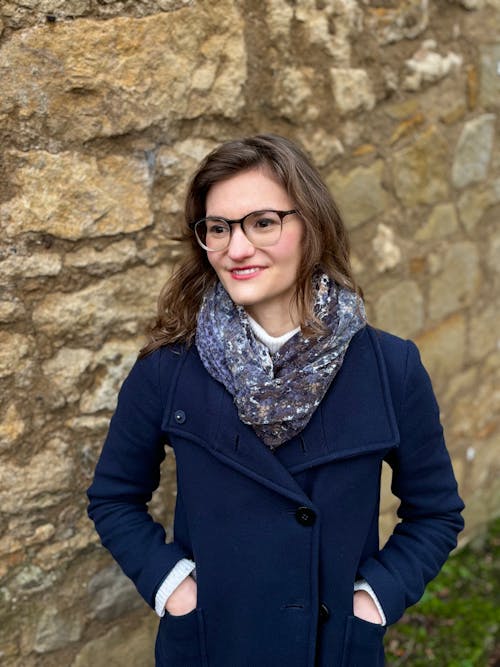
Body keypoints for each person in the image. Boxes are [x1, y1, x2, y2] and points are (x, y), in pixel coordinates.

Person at [87, 134, 464, 667]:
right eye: (218, 229)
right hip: (211, 643)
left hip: (332, 648)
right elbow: (114, 498)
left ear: (312, 224)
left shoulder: (388, 367)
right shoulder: (167, 369)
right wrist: (176, 590)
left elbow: (436, 512)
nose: (237, 249)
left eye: (263, 223)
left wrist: (372, 601)